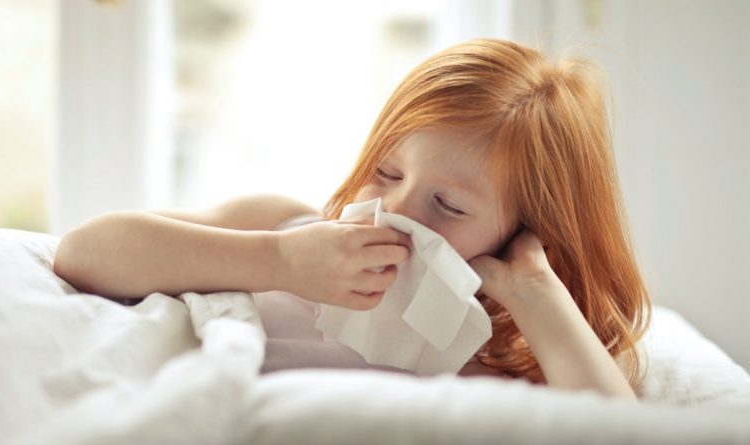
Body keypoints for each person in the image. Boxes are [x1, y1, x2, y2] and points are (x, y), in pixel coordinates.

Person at [54, 38, 650, 399]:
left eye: (448, 206)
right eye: (387, 172)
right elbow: (84, 252)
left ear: (525, 232)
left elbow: (617, 431)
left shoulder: (492, 357)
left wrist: (534, 291)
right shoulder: (284, 226)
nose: (393, 209)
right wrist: (276, 261)